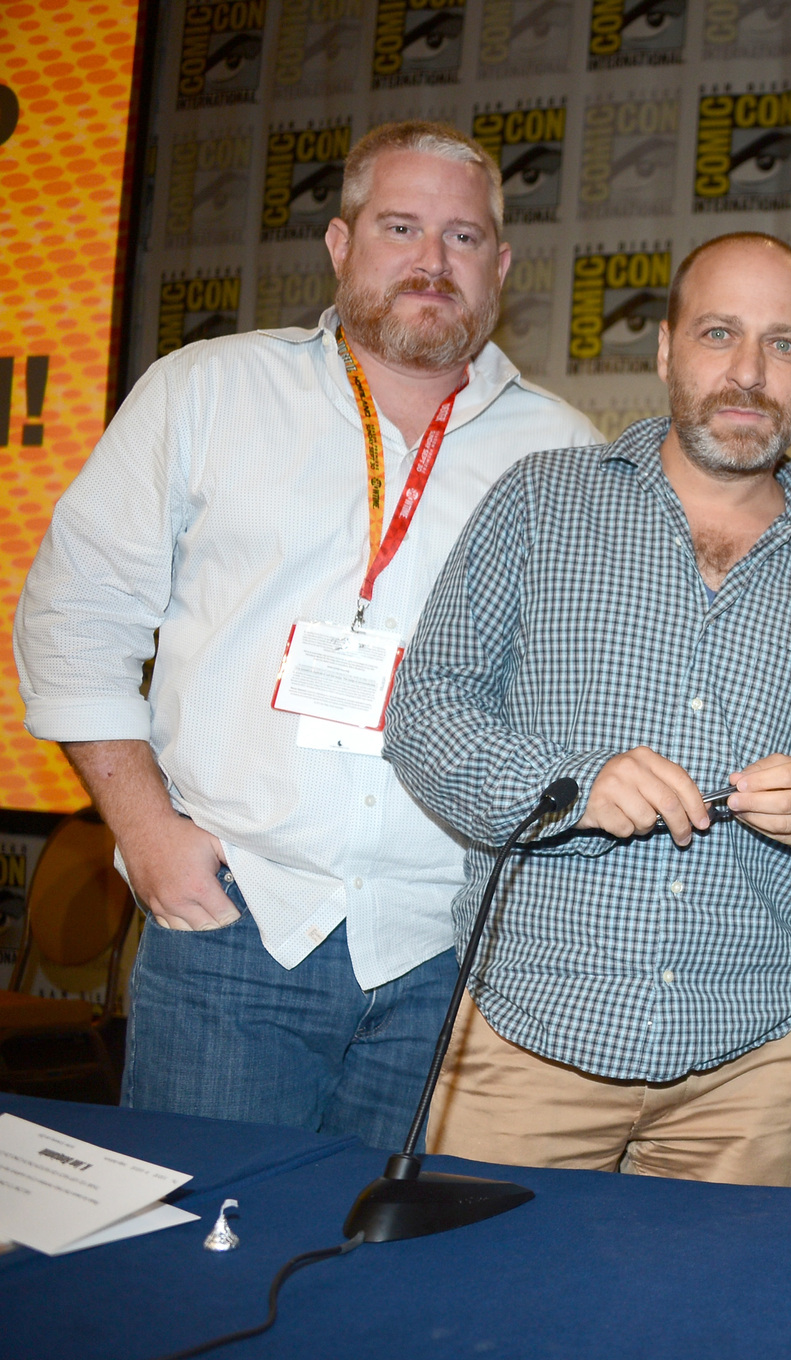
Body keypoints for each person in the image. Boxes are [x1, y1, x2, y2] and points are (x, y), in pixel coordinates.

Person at [13, 121, 600, 1148]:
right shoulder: (207, 392)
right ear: (339, 244)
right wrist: (144, 831)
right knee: (198, 1263)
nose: (431, 262)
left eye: (462, 238)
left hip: (450, 951)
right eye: (400, 227)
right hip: (234, 922)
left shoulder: (563, 450)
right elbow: (76, 613)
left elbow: (590, 690)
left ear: (500, 265)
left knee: (387, 1282)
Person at [381, 232, 791, 1186]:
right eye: (719, 334)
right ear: (665, 349)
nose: (749, 372)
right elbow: (426, 708)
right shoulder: (542, 504)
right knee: (487, 1327)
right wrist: (568, 789)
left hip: (749, 1071)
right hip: (525, 1050)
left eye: (784, 344)